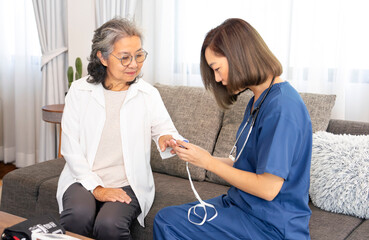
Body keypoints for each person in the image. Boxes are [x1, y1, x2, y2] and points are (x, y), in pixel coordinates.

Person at [153, 18, 312, 239]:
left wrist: (208, 163)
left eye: (217, 69)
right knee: (169, 217)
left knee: (168, 223)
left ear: (239, 56)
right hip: (243, 206)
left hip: (270, 225)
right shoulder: (258, 100)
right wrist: (197, 155)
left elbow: (268, 188)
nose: (217, 79)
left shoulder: (282, 107)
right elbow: (243, 164)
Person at [57, 18, 182, 240]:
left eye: (139, 55)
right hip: (82, 178)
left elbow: (165, 130)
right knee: (78, 215)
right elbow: (70, 147)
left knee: (109, 225)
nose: (134, 64)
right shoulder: (79, 91)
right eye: (125, 57)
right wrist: (97, 188)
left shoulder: (148, 94)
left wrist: (166, 138)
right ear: (103, 57)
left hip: (128, 182)